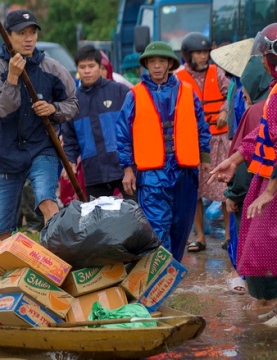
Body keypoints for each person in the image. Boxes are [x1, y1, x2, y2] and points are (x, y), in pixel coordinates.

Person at [0, 9, 78, 240]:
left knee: (47, 201)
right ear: (7, 36)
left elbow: (73, 104)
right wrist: (13, 78)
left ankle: (57, 257)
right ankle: (11, 270)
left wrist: (53, 109)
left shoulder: (52, 67)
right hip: (5, 151)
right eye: (21, 33)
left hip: (41, 148)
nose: (28, 39)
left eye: (32, 32)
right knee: (1, 228)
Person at [116, 41, 211, 262]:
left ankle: (169, 272)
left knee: (180, 227)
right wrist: (127, 168)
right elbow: (122, 133)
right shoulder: (134, 95)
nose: (157, 66)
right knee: (158, 227)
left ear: (169, 64)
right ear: (146, 64)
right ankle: (160, 276)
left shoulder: (187, 91)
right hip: (151, 175)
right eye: (152, 61)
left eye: (161, 61)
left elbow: (201, 126)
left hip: (184, 173)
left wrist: (204, 156)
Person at [208, 24, 277, 313]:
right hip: (267, 182)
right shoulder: (273, 94)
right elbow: (262, 135)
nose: (262, 62)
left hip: (272, 185)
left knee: (263, 246)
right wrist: (233, 159)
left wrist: (269, 193)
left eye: (265, 57)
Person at [176, 32, 231, 253]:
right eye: (198, 53)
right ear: (188, 55)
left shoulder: (216, 72)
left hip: (219, 141)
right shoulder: (178, 77)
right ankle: (199, 236)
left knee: (225, 188)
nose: (203, 56)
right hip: (194, 142)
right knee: (195, 191)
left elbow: (231, 93)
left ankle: (228, 236)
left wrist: (225, 110)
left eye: (205, 52)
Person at [62, 45, 131, 199]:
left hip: (123, 169)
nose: (87, 71)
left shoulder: (120, 92)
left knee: (134, 217)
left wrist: (131, 166)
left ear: (100, 67)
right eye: (82, 67)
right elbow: (69, 138)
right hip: (93, 172)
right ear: (77, 69)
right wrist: (70, 161)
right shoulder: (73, 101)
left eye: (91, 66)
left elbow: (133, 129)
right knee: (100, 220)